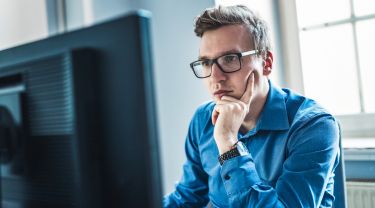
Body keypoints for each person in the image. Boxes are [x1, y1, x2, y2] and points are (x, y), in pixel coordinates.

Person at [163, 5, 340, 208]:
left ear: (266, 63)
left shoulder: (314, 126)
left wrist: (229, 144)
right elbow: (187, 199)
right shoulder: (203, 119)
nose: (215, 78)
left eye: (230, 59)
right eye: (206, 62)